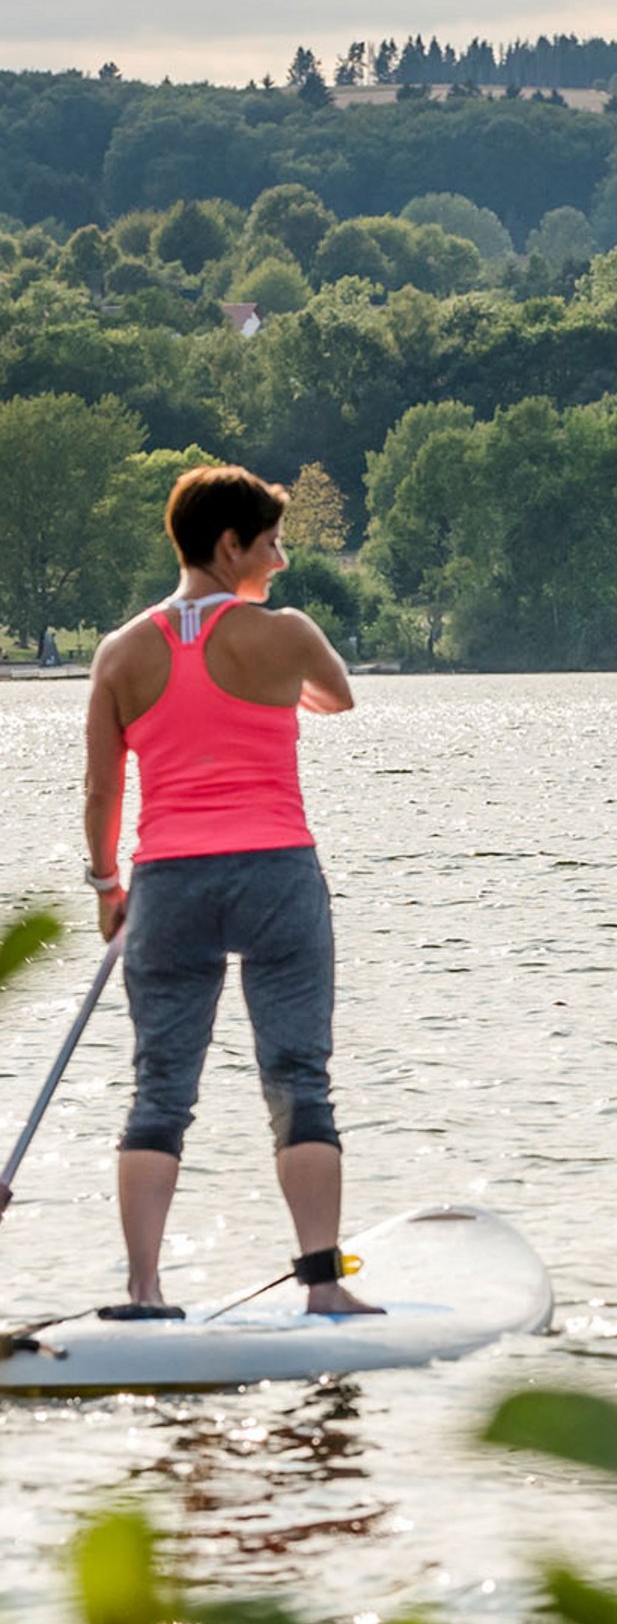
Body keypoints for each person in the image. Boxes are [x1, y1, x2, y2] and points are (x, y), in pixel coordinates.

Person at [82, 464, 380, 1320]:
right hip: (276, 874)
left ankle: (144, 1292)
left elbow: (102, 794)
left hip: (167, 883)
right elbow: (337, 699)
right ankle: (322, 1284)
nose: (281, 562)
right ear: (229, 545)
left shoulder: (119, 652)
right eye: (273, 543)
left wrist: (108, 886)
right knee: (298, 1080)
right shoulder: (284, 634)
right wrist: (271, 688)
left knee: (159, 1091)